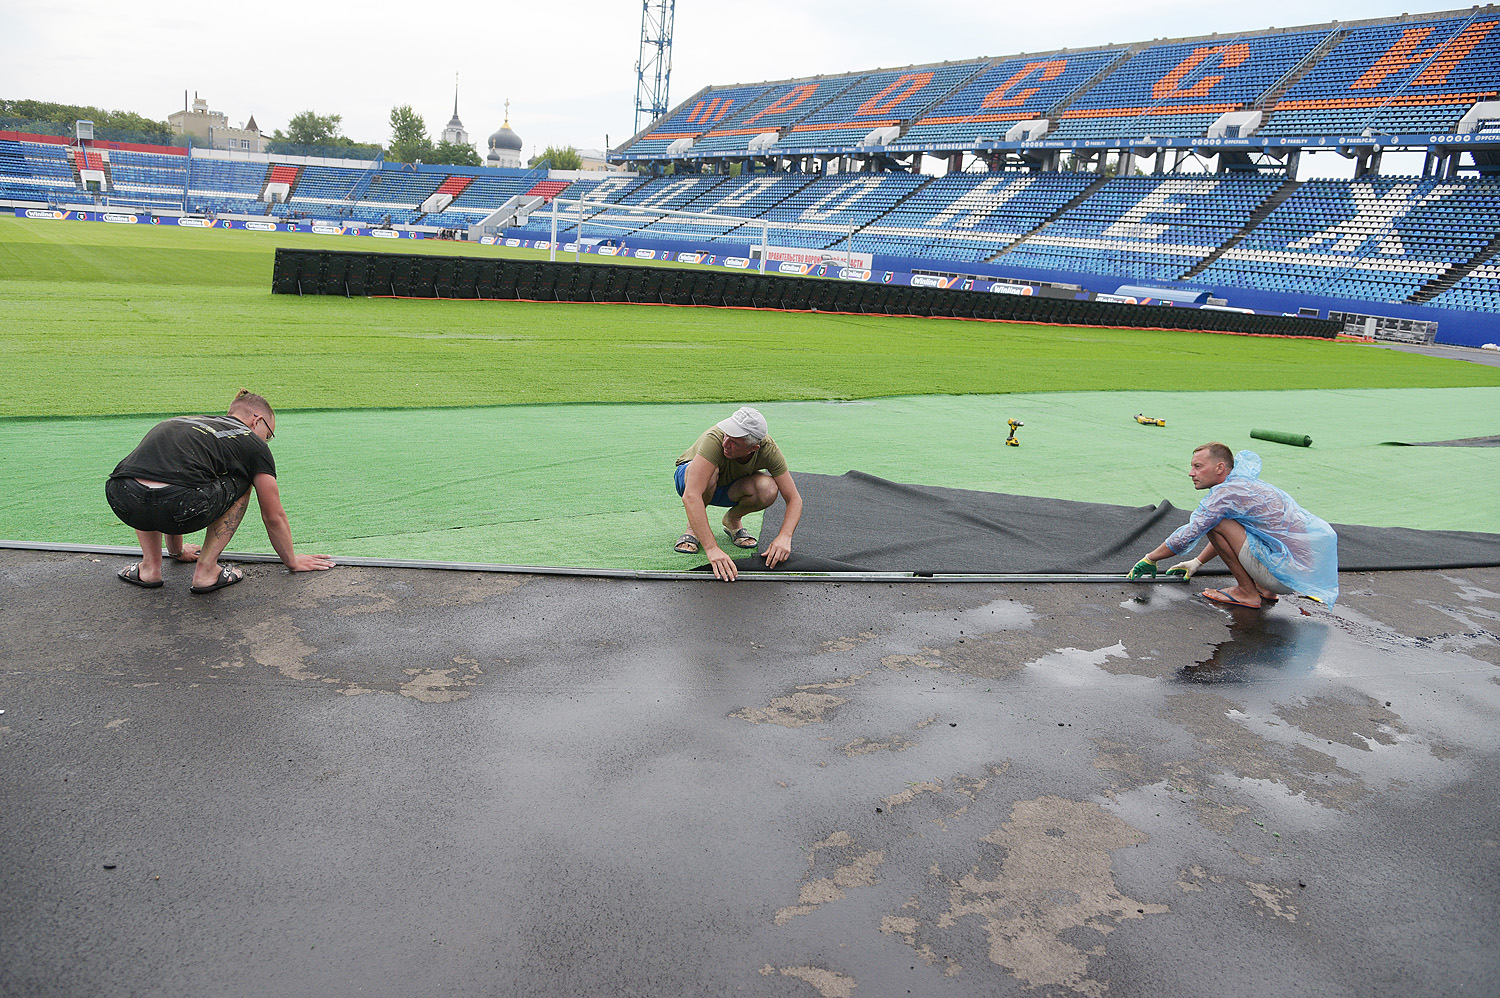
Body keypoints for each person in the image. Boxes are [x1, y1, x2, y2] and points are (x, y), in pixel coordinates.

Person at [105, 390, 335, 593]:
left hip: (124, 499)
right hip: (181, 504)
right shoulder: (252, 443)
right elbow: (273, 515)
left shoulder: (180, 421)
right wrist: (292, 561)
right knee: (242, 481)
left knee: (154, 478)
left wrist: (177, 552)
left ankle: (150, 569)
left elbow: (166, 474)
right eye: (268, 435)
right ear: (258, 420)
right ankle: (206, 571)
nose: (266, 441)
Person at [1127, 443, 1338, 607]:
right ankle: (1265, 589)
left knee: (1215, 522)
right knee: (1228, 521)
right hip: (1296, 576)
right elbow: (1236, 535)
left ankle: (1247, 593)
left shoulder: (1224, 494)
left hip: (1282, 575)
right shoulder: (1244, 484)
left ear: (1220, 467)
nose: (1191, 473)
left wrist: (1150, 558)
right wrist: (1197, 562)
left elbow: (1188, 534)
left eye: (1198, 466)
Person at [674, 406, 803, 582]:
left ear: (753, 448)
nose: (725, 443)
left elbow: (794, 499)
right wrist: (712, 548)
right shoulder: (715, 439)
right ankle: (693, 529)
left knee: (768, 488)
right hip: (690, 481)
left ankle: (732, 520)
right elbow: (691, 495)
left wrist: (785, 537)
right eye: (727, 435)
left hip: (728, 487)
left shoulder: (768, 449)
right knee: (709, 474)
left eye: (735, 442)